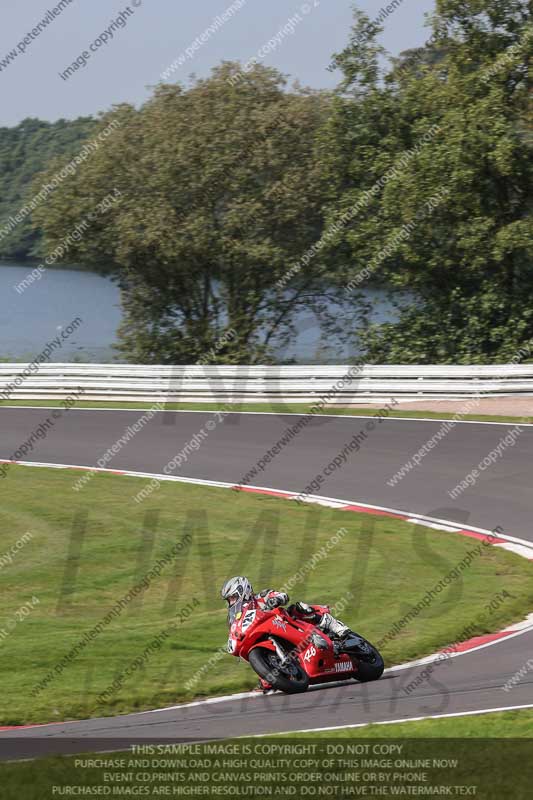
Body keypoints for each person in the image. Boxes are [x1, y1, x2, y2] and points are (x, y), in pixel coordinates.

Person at [220, 576, 351, 693]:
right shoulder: (236, 617)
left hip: (288, 623)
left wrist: (276, 599)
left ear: (243, 591)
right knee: (265, 683)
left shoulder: (261, 598)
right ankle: (279, 670)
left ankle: (337, 628)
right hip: (268, 637)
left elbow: (283, 595)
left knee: (299, 608)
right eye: (229, 600)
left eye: (232, 598)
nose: (231, 602)